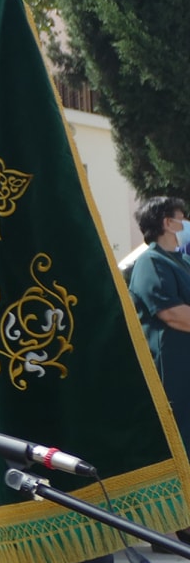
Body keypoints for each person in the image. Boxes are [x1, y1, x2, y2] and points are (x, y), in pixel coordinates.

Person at [129, 195, 190, 459]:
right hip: (174, 375)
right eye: (183, 217)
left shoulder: (182, 262)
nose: (186, 223)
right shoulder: (150, 262)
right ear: (168, 222)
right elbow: (172, 314)